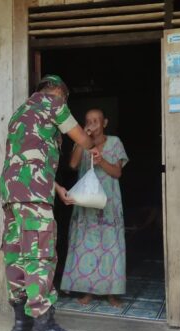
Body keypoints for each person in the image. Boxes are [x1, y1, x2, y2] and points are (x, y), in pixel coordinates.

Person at [0, 75, 99, 331]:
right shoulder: (54, 103)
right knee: (39, 255)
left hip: (12, 194)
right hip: (33, 195)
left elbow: (28, 157)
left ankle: (21, 324)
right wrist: (91, 143)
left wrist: (56, 187)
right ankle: (44, 326)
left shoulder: (19, 113)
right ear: (61, 93)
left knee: (16, 253)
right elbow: (81, 137)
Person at [60, 109, 129, 307]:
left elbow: (117, 173)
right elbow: (73, 164)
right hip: (86, 204)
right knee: (85, 245)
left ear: (105, 122)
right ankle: (87, 290)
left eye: (96, 121)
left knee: (111, 246)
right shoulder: (80, 140)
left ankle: (112, 294)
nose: (92, 124)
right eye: (88, 121)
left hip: (109, 203)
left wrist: (101, 161)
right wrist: (83, 140)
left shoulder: (115, 142)